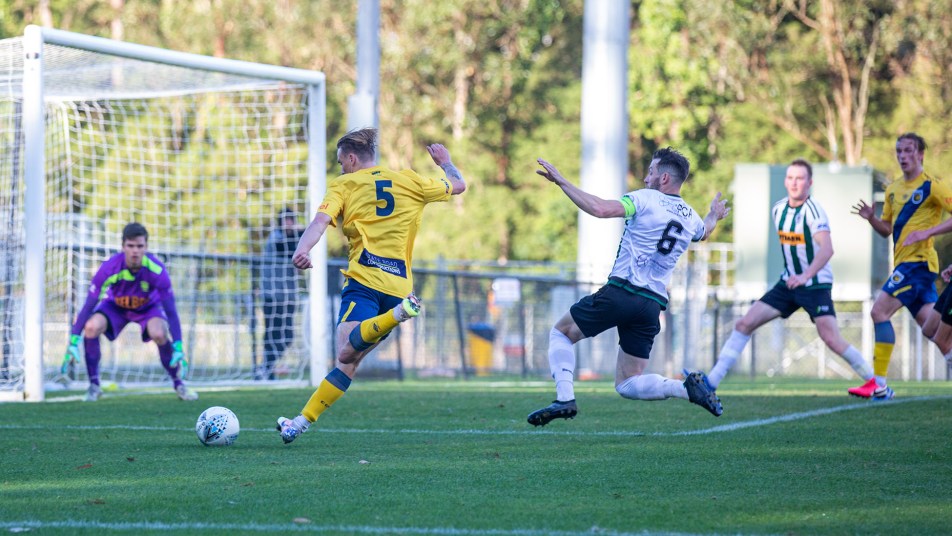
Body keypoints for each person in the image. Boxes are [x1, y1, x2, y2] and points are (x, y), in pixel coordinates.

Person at [276, 127, 466, 443]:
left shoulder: (344, 184)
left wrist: (302, 249)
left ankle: (400, 315)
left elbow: (320, 222)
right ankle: (300, 422)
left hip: (364, 281)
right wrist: (444, 162)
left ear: (351, 159)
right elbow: (459, 185)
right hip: (399, 288)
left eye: (340, 162)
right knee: (349, 362)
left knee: (345, 349)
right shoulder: (411, 181)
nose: (340, 168)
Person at [527, 147, 729, 427]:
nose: (646, 178)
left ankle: (564, 398)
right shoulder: (690, 216)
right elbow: (704, 232)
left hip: (623, 291)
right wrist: (713, 216)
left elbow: (599, 209)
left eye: (651, 172)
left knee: (560, 333)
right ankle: (684, 389)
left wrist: (562, 181)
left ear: (665, 178)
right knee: (627, 383)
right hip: (651, 306)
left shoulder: (645, 199)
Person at [706, 159, 874, 391]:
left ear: (810, 183)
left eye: (800, 178)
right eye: (791, 178)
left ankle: (876, 382)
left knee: (831, 339)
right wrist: (797, 276)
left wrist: (806, 275)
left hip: (815, 285)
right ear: (786, 181)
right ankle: (711, 381)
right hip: (789, 283)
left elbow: (827, 249)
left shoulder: (813, 211)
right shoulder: (778, 209)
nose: (795, 183)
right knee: (745, 323)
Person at [848, 132, 952, 399]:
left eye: (908, 151)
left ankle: (879, 384)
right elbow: (887, 230)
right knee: (933, 329)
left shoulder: (932, 186)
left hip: (918, 265)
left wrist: (929, 233)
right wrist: (871, 218)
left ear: (920, 155)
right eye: (899, 152)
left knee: (878, 312)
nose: (902, 157)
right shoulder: (893, 189)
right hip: (904, 264)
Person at [60, 222, 197, 401]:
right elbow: (89, 305)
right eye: (130, 246)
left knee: (159, 332)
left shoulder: (157, 270)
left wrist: (178, 344)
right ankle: (94, 385)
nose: (135, 251)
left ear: (146, 247)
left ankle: (179, 384)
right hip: (116, 307)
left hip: (147, 308)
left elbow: (171, 311)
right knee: (92, 326)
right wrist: (74, 339)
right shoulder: (109, 267)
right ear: (123, 246)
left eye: (140, 246)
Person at [258, 207, 304, 380]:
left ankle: (266, 368)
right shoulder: (276, 238)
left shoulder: (295, 239)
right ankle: (266, 369)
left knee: (288, 335)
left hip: (288, 296)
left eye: (292, 219)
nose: (289, 223)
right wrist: (307, 231)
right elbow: (289, 246)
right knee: (272, 333)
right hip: (271, 295)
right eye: (286, 220)